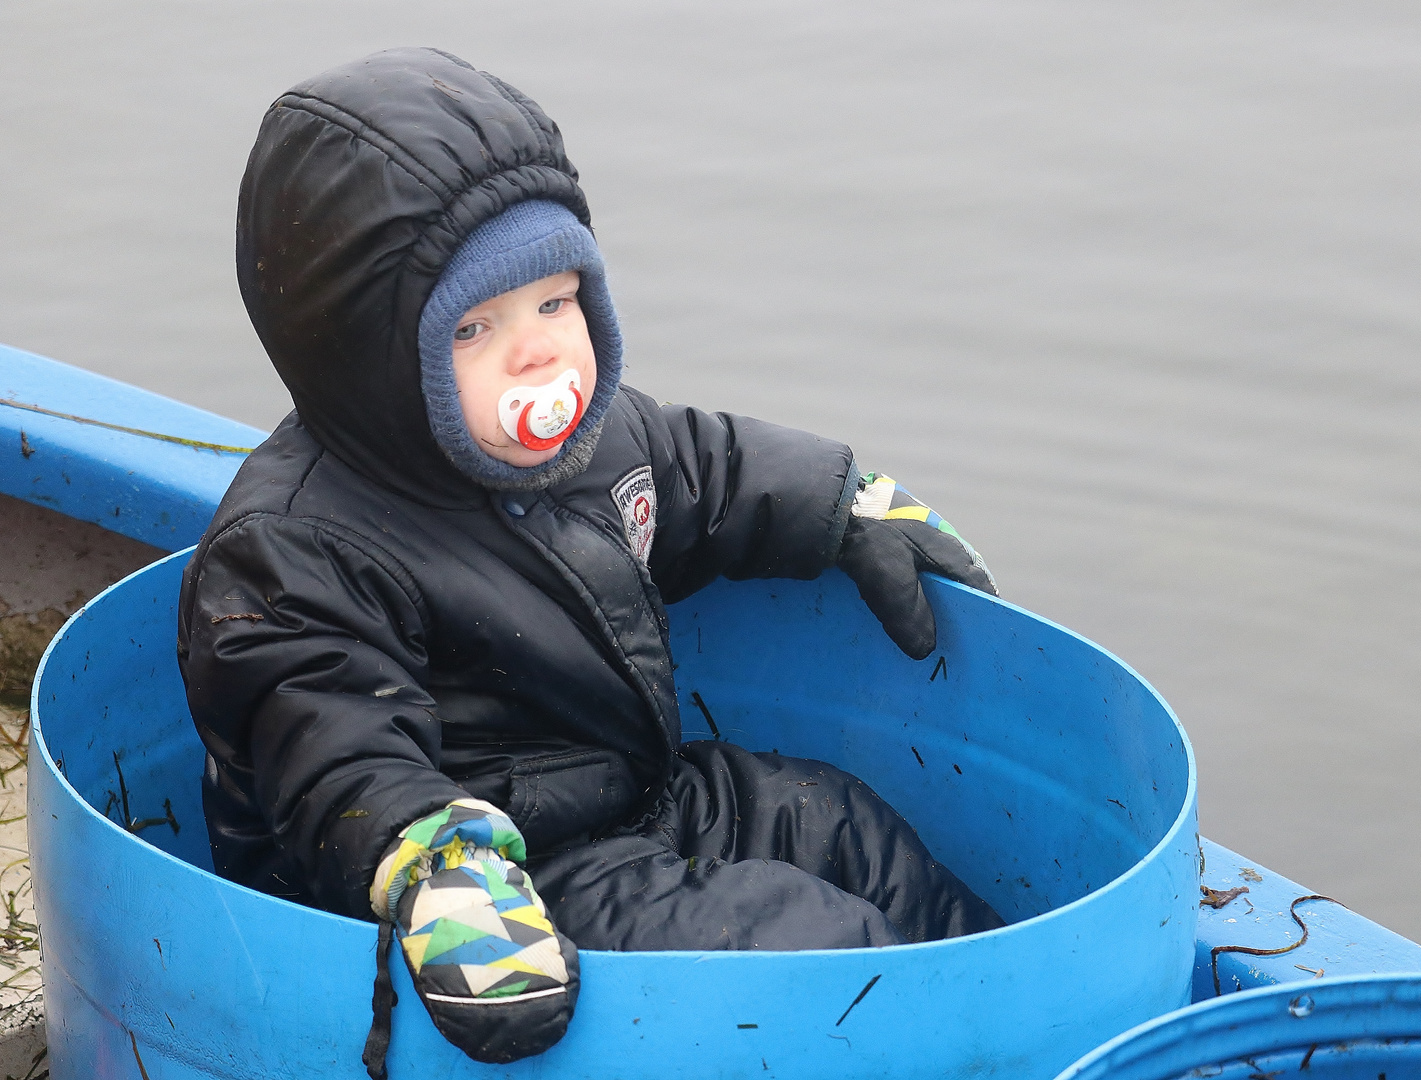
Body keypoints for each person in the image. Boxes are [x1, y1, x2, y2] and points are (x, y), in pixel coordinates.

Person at [178, 47, 1003, 1071]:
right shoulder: (295, 549)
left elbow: (708, 468)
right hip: (485, 882)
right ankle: (909, 1054)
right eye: (477, 328)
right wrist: (441, 866)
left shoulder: (589, 441)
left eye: (555, 303)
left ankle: (1004, 1013)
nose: (538, 354)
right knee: (789, 940)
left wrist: (842, 503)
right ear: (370, 364)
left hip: (635, 798)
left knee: (844, 829)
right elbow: (329, 741)